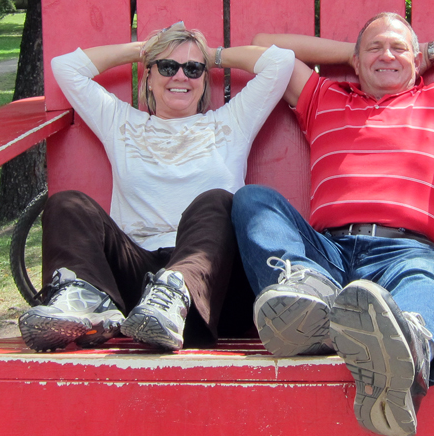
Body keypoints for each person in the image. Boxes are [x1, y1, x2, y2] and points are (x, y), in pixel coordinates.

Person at [231, 12, 434, 436]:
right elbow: (265, 45)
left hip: (408, 251)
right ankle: (309, 300)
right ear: (356, 59)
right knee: (252, 201)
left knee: (424, 280)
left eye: (398, 48)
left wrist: (431, 53)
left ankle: (409, 350)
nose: (387, 55)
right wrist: (351, 56)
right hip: (326, 254)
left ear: (417, 57)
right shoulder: (322, 97)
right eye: (375, 48)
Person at [18, 24, 295, 353]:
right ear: (148, 76)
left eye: (193, 69)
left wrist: (213, 56)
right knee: (67, 204)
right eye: (167, 67)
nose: (181, 77)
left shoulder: (230, 123)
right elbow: (66, 68)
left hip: (209, 294)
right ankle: (80, 306)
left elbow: (281, 62)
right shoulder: (123, 124)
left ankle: (175, 296)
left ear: (205, 79)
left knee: (217, 202)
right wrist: (141, 51)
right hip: (139, 295)